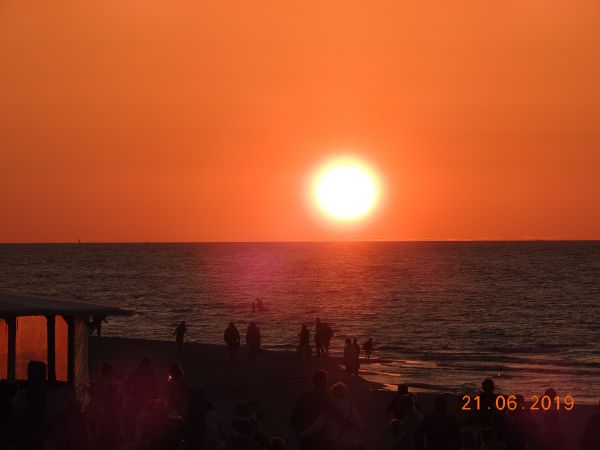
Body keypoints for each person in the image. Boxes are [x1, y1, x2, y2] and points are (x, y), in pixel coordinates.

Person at [291, 370, 347, 450]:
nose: (327, 383)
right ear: (322, 382)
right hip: (319, 437)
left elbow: (294, 417)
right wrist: (346, 422)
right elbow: (333, 414)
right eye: (326, 381)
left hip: (305, 436)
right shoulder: (324, 397)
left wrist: (301, 431)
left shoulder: (304, 396)